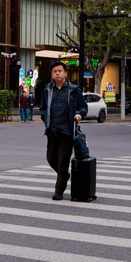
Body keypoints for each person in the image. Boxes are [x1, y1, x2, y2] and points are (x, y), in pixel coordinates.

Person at [38, 62, 87, 201]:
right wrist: (45, 118)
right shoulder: (48, 90)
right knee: (50, 158)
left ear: (65, 73)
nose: (57, 73)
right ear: (52, 74)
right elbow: (42, 108)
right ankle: (64, 175)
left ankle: (58, 190)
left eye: (60, 71)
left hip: (67, 132)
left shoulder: (73, 90)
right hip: (52, 131)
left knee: (62, 162)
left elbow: (83, 107)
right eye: (55, 71)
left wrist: (79, 114)